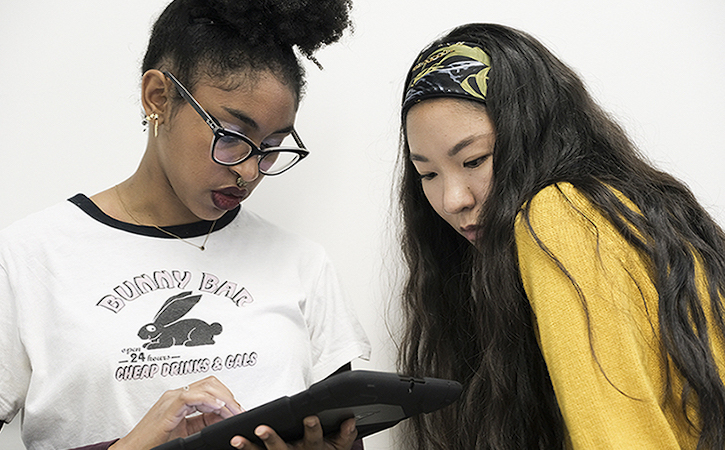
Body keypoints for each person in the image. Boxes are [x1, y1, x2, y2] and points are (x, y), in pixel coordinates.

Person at [0, 1, 371, 449]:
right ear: (158, 97)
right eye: (232, 136)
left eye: (271, 146)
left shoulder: (303, 264)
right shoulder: (29, 257)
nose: (250, 172)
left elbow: (346, 436)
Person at [395, 23, 725, 449]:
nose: (453, 198)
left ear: (531, 134)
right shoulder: (639, 212)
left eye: (475, 160)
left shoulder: (558, 215)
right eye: (428, 173)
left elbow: (617, 436)